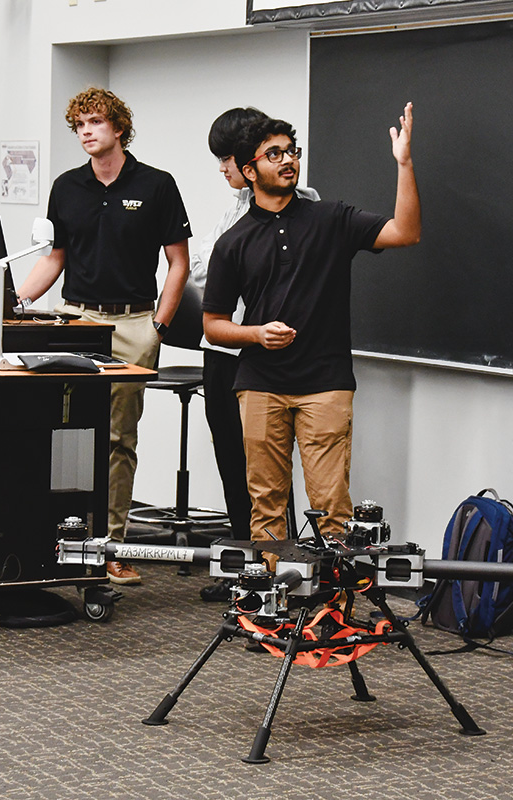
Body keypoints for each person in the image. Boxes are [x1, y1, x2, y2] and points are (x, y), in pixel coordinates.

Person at [202, 102, 418, 545]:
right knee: (265, 504)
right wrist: (256, 334)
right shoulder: (233, 242)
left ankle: (331, 609)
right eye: (275, 153)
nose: (288, 160)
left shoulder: (331, 218)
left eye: (292, 151)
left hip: (326, 381)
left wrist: (405, 163)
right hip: (260, 383)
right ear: (249, 169)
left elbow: (405, 232)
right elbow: (213, 326)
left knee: (331, 508)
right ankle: (266, 607)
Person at [17, 87, 191, 585]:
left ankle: (112, 545)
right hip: (75, 321)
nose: (86, 132)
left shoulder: (157, 185)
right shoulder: (66, 187)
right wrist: (16, 304)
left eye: (95, 122)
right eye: (79, 126)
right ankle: (59, 536)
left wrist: (157, 326)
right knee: (62, 433)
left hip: (135, 324)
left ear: (118, 127)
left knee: (117, 440)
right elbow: (55, 258)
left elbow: (177, 263)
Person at [188, 108, 320, 600]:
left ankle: (277, 570)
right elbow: (203, 269)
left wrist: (222, 258)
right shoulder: (236, 207)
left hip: (261, 350)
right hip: (221, 345)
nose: (222, 170)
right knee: (231, 458)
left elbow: (207, 267)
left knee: (264, 468)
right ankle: (248, 564)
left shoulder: (296, 204)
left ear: (247, 162)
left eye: (226, 159)